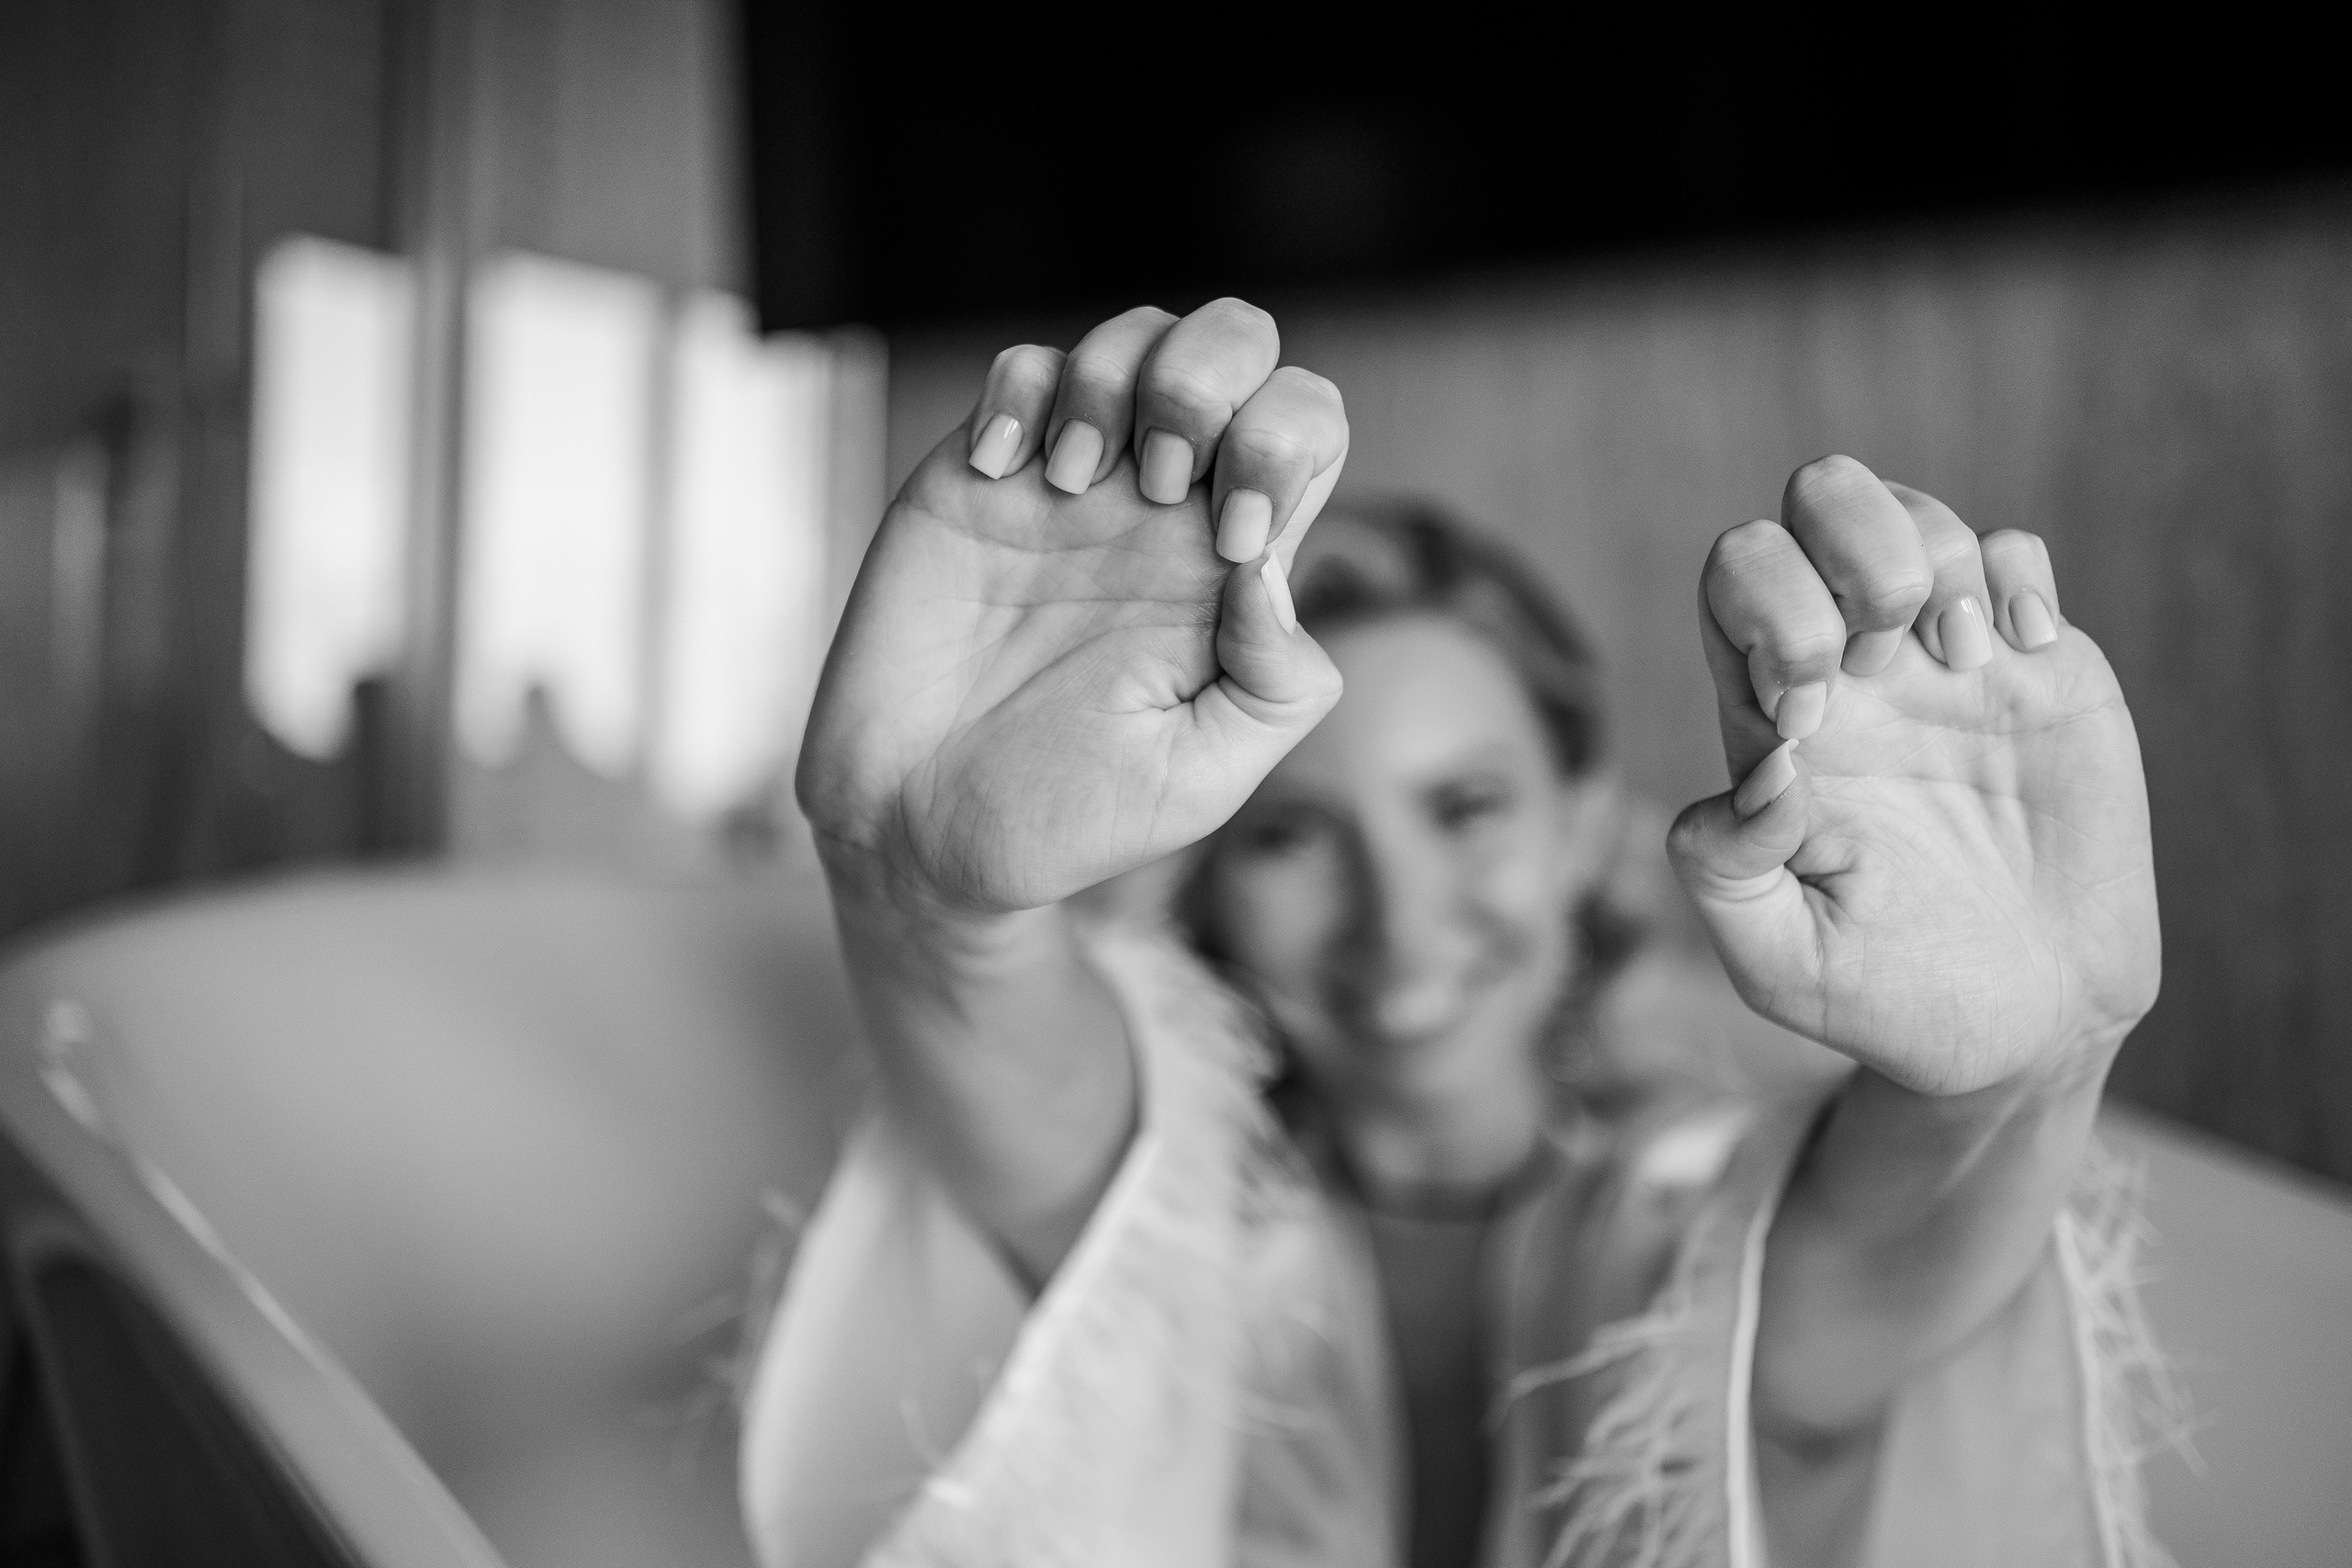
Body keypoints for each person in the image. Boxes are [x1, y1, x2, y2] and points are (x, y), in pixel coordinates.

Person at [740, 300, 2175, 1567]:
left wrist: (2027, 1065)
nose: (1401, 913)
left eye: (1466, 805)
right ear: (1207, 883)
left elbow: (1825, 1314)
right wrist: (911, 877)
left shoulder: (1692, 1221)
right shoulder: (1158, 1214)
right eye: (1294, 835)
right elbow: (1025, 1072)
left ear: (1577, 825)